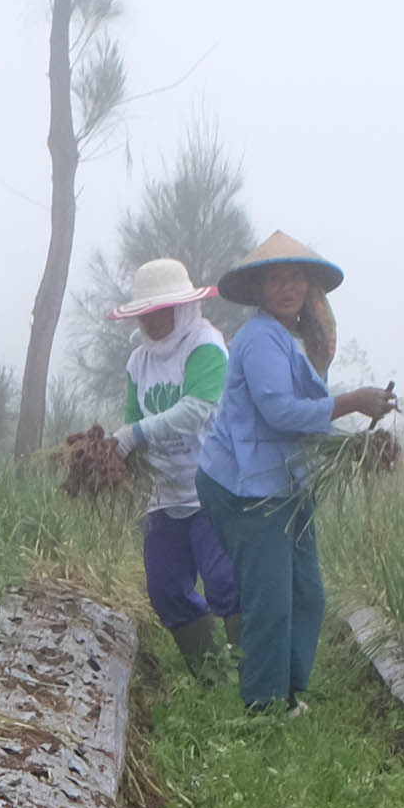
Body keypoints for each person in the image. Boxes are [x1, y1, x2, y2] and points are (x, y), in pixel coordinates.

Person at [199, 231, 396, 711]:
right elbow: (281, 414)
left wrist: (355, 445)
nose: (287, 288)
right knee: (271, 600)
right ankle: (265, 707)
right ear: (261, 291)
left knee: (306, 594)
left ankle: (288, 691)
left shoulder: (291, 342)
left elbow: (306, 414)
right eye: (275, 280)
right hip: (248, 488)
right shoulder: (260, 340)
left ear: (309, 289)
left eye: (296, 279)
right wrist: (351, 402)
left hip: (285, 483)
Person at [105, 258, 237, 678]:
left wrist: (134, 434)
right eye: (147, 313)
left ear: (182, 307)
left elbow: (196, 410)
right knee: (165, 588)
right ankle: (211, 673)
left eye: (163, 310)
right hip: (163, 492)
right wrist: (113, 455)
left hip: (213, 484)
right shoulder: (138, 362)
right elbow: (131, 420)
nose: (155, 320)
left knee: (225, 581)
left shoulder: (205, 345)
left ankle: (254, 671)